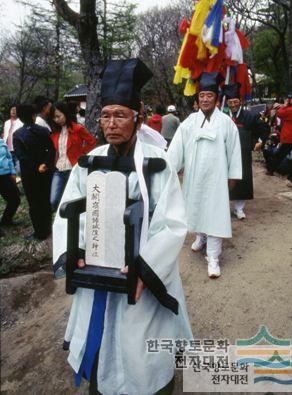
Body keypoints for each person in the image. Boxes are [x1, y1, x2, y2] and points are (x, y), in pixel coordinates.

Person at [53, 58, 192, 394]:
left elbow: (171, 223)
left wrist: (143, 268)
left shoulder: (157, 164)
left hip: (138, 275)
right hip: (98, 272)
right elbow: (69, 210)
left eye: (120, 115)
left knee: (139, 347)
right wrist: (79, 250)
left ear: (137, 115)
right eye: (105, 115)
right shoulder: (89, 162)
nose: (111, 124)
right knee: (101, 349)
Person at [168, 72, 242, 279]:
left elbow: (234, 150)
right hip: (194, 177)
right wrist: (169, 168)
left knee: (216, 215)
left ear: (216, 98)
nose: (205, 99)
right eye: (201, 96)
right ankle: (200, 237)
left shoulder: (226, 122)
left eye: (209, 95)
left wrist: (233, 175)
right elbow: (176, 148)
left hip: (217, 178)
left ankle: (213, 258)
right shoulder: (190, 122)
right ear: (197, 98)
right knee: (196, 208)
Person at [223, 84, 270, 219]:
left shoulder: (250, 116)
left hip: (243, 153)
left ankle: (239, 209)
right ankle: (223, 208)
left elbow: (264, 128)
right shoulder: (222, 116)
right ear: (227, 103)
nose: (233, 105)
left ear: (240, 102)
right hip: (224, 154)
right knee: (223, 179)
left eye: (235, 102)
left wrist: (260, 141)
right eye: (230, 102)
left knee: (242, 179)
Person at [13, 104, 55, 241]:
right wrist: (44, 164)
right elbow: (51, 149)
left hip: (29, 174)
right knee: (45, 200)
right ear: (33, 115)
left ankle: (39, 232)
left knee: (34, 203)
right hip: (45, 172)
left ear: (19, 117)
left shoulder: (17, 135)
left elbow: (21, 156)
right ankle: (47, 229)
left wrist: (36, 166)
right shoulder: (43, 130)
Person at [50, 101, 96, 211]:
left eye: (59, 116)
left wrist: (82, 155)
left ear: (65, 113)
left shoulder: (77, 128)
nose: (57, 119)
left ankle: (71, 220)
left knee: (75, 197)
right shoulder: (55, 133)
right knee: (54, 200)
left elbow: (92, 141)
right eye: (54, 117)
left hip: (74, 168)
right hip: (59, 169)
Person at [0, 138, 20, 227]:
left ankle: (5, 221)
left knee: (15, 199)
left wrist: (12, 172)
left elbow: (9, 157)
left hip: (5, 175)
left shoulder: (1, 141)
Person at [2, 105, 23, 171]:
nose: (13, 111)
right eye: (12, 109)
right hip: (7, 150)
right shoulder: (6, 122)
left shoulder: (21, 123)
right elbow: (4, 135)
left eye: (15, 109)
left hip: (16, 150)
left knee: (18, 170)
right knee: (8, 170)